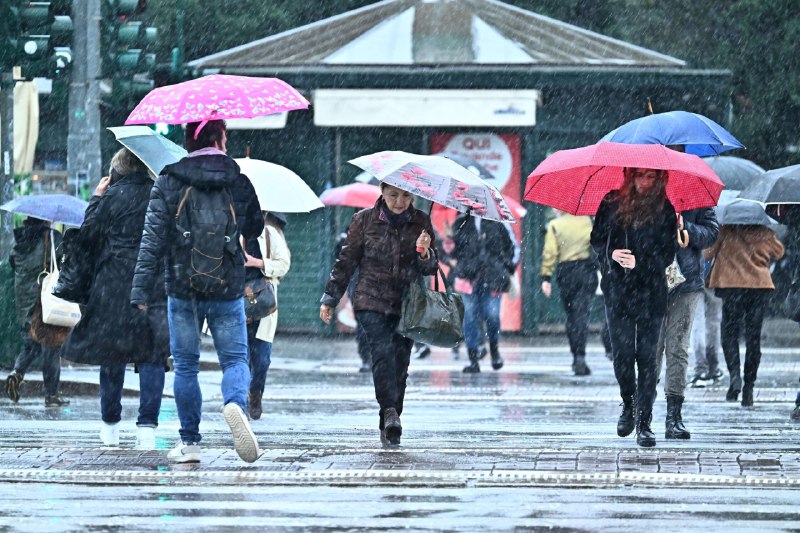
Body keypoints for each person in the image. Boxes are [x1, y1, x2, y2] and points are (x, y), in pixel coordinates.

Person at [131, 119, 264, 463]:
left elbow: (152, 240)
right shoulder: (238, 179)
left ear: (188, 142)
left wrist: (140, 290)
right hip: (227, 285)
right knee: (234, 359)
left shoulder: (170, 179)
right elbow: (254, 227)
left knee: (187, 365)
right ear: (220, 138)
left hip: (182, 286)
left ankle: (190, 443)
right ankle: (235, 403)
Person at [61, 148, 169, 449]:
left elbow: (88, 236)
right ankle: (147, 427)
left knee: (112, 355)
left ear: (119, 168)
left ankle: (110, 424)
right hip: (150, 286)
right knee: (152, 356)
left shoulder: (112, 196)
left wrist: (97, 198)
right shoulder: (159, 195)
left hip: (112, 285)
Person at [319, 183, 438, 447]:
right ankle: (389, 411)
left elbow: (430, 268)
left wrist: (425, 251)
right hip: (370, 300)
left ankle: (391, 418)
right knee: (382, 353)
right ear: (382, 192)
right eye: (394, 195)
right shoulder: (363, 220)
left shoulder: (421, 221)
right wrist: (330, 298)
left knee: (401, 362)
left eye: (406, 195)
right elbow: (346, 261)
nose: (399, 201)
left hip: (406, 304)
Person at [591, 168, 677, 448]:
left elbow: (667, 253)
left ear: (659, 178)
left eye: (651, 176)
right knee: (623, 356)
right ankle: (628, 403)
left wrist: (641, 262)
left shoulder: (665, 209)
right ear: (629, 176)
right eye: (640, 175)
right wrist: (612, 254)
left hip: (651, 293)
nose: (645, 182)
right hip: (619, 292)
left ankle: (645, 421)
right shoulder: (610, 203)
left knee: (648, 357)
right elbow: (597, 240)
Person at [655, 207, 718, 440]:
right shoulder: (643, 191)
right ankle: (644, 413)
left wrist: (686, 227)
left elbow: (712, 232)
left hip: (687, 283)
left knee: (678, 348)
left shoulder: (696, 197)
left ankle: (674, 417)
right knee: (651, 349)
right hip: (651, 282)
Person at [705, 220, 784, 406]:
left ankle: (735, 376)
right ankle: (749, 387)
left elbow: (708, 253)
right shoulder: (765, 231)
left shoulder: (725, 229)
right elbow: (779, 252)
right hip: (758, 287)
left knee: (729, 334)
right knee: (753, 337)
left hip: (731, 286)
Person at [4, 217, 69, 408]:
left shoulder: (19, 241)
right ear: (45, 220)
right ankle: (51, 395)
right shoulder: (51, 237)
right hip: (44, 302)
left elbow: (13, 262)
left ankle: (16, 373)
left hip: (24, 302)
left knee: (31, 346)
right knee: (51, 347)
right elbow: (62, 262)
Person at [452, 213, 517, 373]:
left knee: (492, 315)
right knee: (469, 318)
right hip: (468, 279)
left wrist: (505, 267)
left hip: (493, 279)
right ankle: (473, 359)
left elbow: (512, 248)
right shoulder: (461, 222)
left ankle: (494, 351)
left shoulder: (498, 222)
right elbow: (454, 250)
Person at [243, 211, 291, 420]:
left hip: (263, 303)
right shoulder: (231, 230)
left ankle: (255, 393)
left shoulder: (270, 233)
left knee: (261, 359)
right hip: (235, 300)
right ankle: (239, 398)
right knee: (239, 357)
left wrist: (257, 263)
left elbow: (284, 264)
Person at [540, 209, 597, 376]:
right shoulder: (588, 221)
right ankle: (581, 355)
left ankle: (575, 355)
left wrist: (546, 277)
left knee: (571, 315)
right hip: (587, 271)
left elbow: (550, 253)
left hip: (566, 272)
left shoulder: (555, 225)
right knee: (582, 314)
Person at [688, 267, 724, 387]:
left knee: (696, 323)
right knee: (713, 323)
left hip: (692, 275)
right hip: (715, 275)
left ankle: (701, 368)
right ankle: (713, 367)